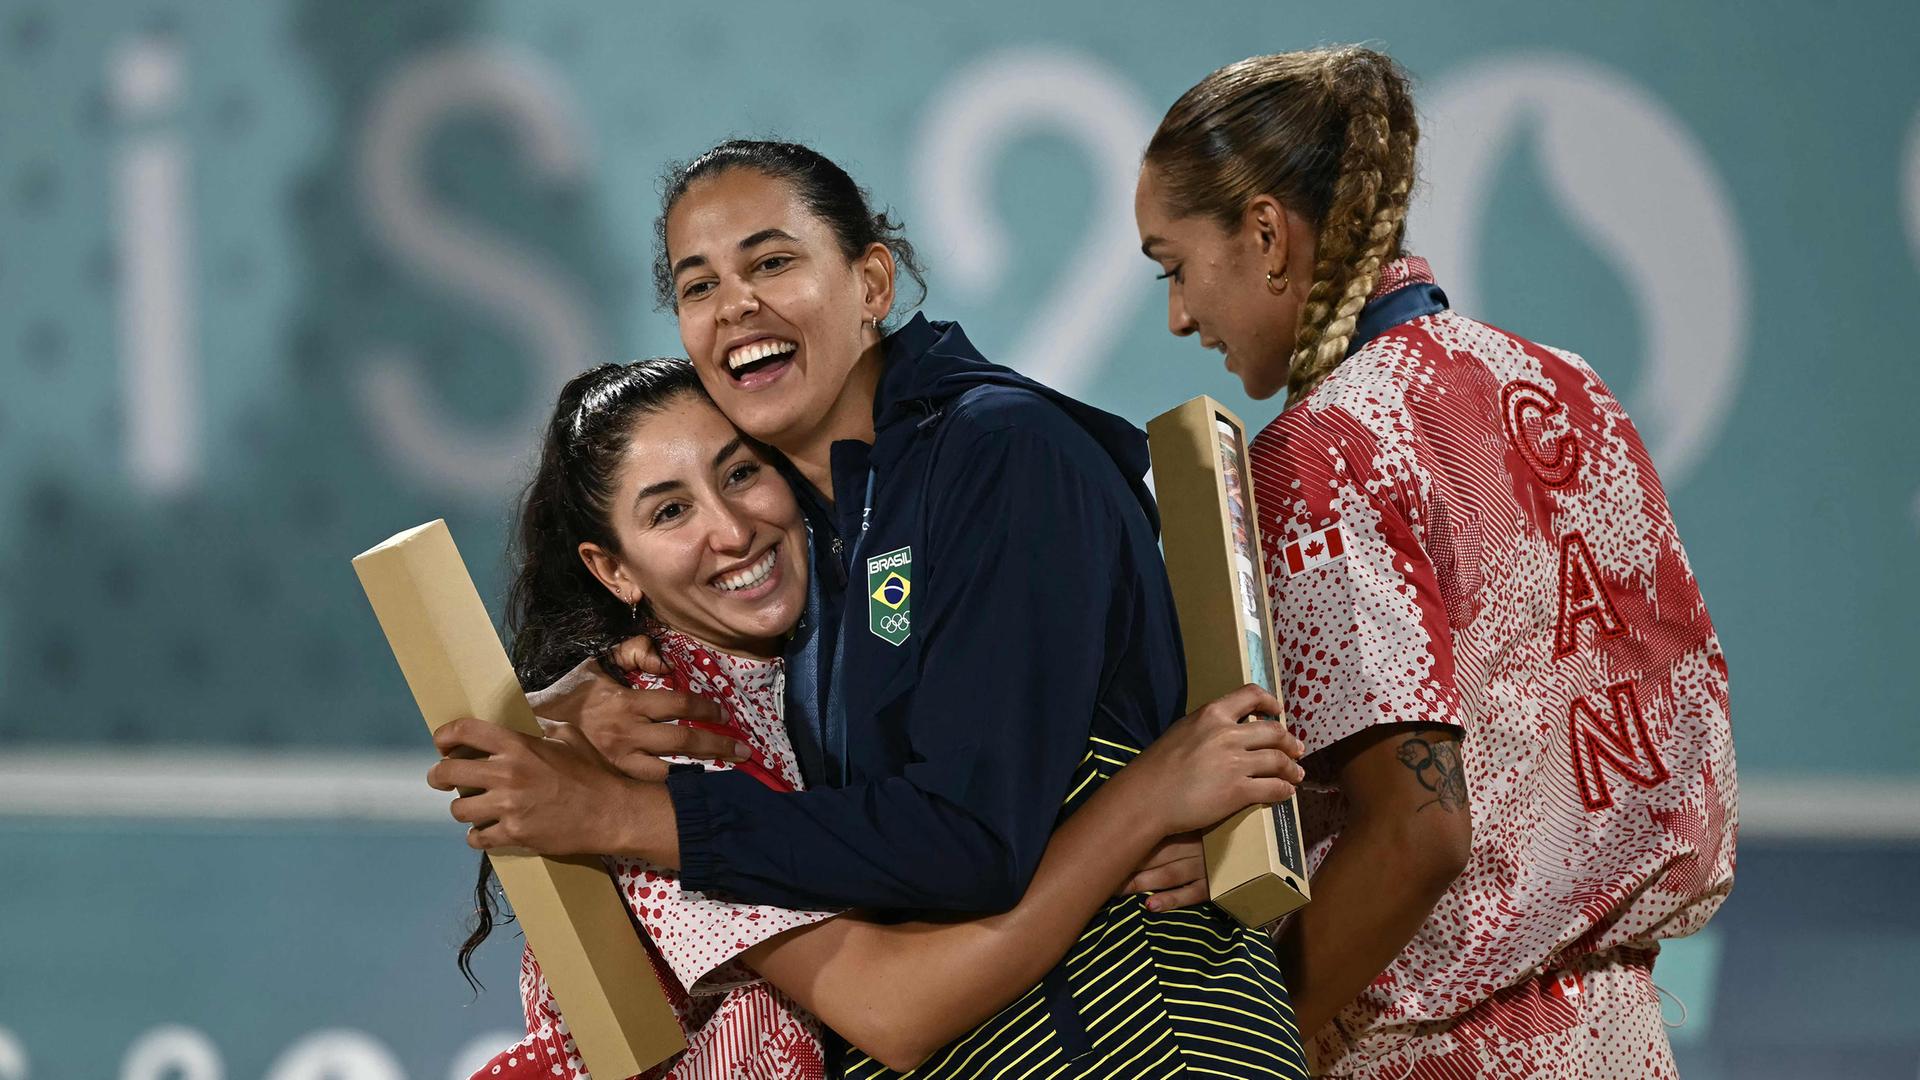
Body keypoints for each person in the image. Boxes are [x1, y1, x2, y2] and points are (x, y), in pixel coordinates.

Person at [431, 141, 1311, 1077]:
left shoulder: (996, 454)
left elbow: (971, 838)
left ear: (873, 282)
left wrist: (622, 813)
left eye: (772, 261)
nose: (736, 305)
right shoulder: (814, 554)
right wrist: (570, 704)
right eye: (699, 285)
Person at [1134, 45, 1736, 1079]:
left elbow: (1419, 835)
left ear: (1267, 235)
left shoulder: (1325, 450)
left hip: (1431, 1055)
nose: (1182, 315)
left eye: (1175, 267)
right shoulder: (1569, 385)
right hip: (1624, 1041)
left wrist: (1250, 1054)